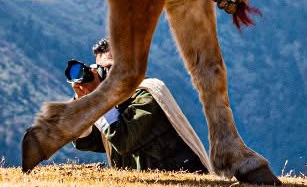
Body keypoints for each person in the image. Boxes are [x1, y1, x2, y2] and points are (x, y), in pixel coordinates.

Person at [71, 38, 212, 174]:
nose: (105, 75)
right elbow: (86, 140)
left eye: (109, 67)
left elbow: (122, 139)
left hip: (181, 184)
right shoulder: (115, 102)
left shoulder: (148, 96)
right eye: (100, 69)